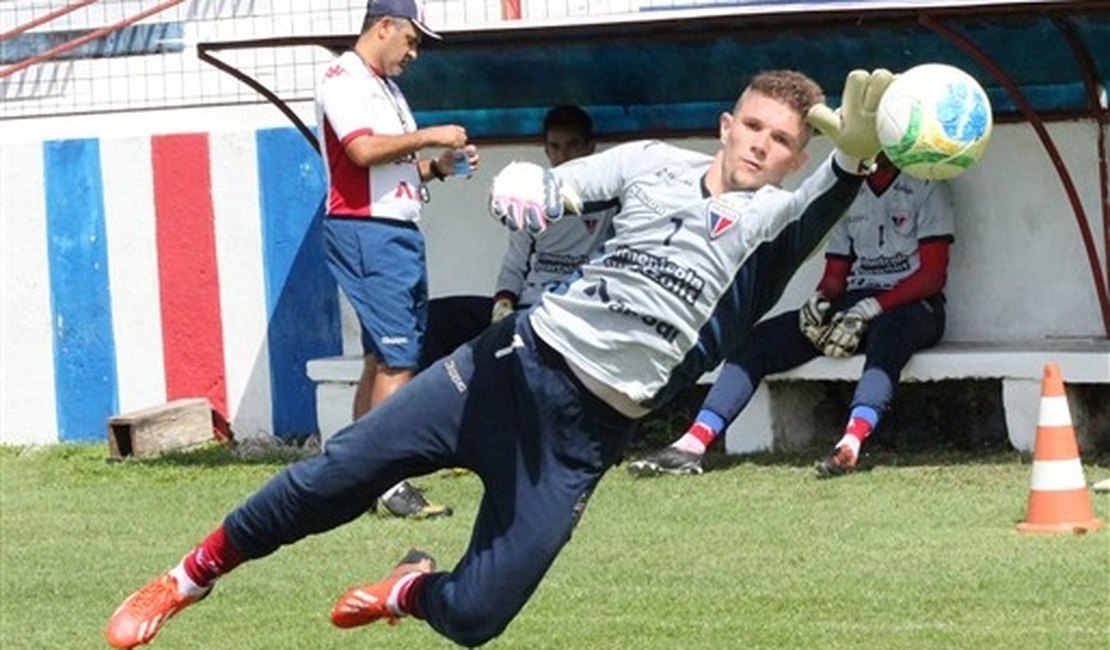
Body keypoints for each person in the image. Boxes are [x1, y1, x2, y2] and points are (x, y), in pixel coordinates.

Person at [104, 67, 893, 649]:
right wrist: (528, 186)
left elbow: (819, 204)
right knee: (334, 477)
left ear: (797, 157)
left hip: (581, 441)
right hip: (505, 367)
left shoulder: (771, 225)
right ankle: (185, 579)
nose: (763, 145)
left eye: (784, 140)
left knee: (478, 617)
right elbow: (568, 185)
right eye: (754, 126)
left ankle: (408, 586)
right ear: (726, 124)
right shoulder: (654, 162)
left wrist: (850, 165)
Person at [627, 152, 954, 479]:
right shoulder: (851, 191)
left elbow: (932, 277)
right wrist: (821, 302)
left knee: (889, 334)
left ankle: (851, 442)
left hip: (913, 307)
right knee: (757, 343)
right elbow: (836, 275)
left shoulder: (926, 185)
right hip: (854, 306)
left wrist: (873, 307)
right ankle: (693, 443)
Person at [316, 0, 479, 519]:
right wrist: (432, 134)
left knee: (381, 359)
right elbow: (363, 152)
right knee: (399, 358)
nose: (414, 53)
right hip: (367, 232)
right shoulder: (343, 76)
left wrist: (438, 167)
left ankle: (354, 475)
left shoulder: (384, 85)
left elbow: (392, 170)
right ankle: (388, 478)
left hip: (393, 231)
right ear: (384, 26)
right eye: (411, 40)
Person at [419, 104, 618, 366]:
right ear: (546, 150)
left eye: (573, 145)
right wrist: (502, 304)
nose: (563, 155)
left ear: (590, 147)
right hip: (528, 309)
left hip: (578, 312)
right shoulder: (530, 195)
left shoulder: (612, 200)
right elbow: (515, 263)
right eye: (555, 146)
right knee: (432, 319)